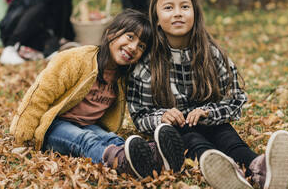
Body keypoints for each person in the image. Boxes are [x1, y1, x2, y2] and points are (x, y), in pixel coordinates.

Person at [127, 0, 288, 188]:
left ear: (195, 14)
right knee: (192, 139)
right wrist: (161, 116)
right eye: (168, 8)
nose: (178, 13)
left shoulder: (212, 54)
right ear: (157, 20)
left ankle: (259, 167)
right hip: (177, 129)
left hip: (211, 121)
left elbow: (235, 100)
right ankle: (225, 174)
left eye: (185, 7)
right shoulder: (147, 64)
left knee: (227, 136)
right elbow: (139, 114)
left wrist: (208, 113)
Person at [9, 9, 184, 179]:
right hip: (54, 126)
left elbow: (148, 95)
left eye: (141, 46)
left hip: (88, 124)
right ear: (110, 34)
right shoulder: (76, 59)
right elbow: (39, 95)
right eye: (130, 37)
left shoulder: (123, 76)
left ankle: (155, 158)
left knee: (112, 139)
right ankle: (121, 162)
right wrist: (21, 138)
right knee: (86, 140)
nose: (133, 47)